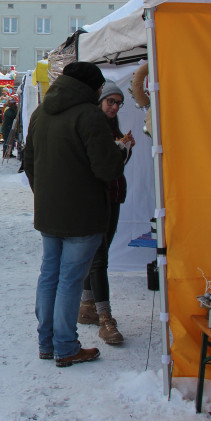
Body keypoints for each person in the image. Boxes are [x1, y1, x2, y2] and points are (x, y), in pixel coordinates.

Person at [23, 62, 127, 367]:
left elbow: (29, 162)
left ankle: (47, 343)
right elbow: (107, 168)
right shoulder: (90, 115)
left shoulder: (41, 113)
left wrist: (45, 195)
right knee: (69, 280)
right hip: (83, 215)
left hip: (50, 212)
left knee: (50, 275)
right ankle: (66, 346)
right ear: (91, 87)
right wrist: (120, 152)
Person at [79, 81, 135, 345]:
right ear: (100, 102)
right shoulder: (94, 126)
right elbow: (99, 163)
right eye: (110, 101)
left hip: (113, 195)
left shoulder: (112, 128)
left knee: (98, 254)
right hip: (97, 198)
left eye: (118, 103)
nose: (114, 107)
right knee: (99, 257)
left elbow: (116, 166)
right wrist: (120, 150)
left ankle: (87, 306)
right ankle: (104, 318)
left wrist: (126, 149)